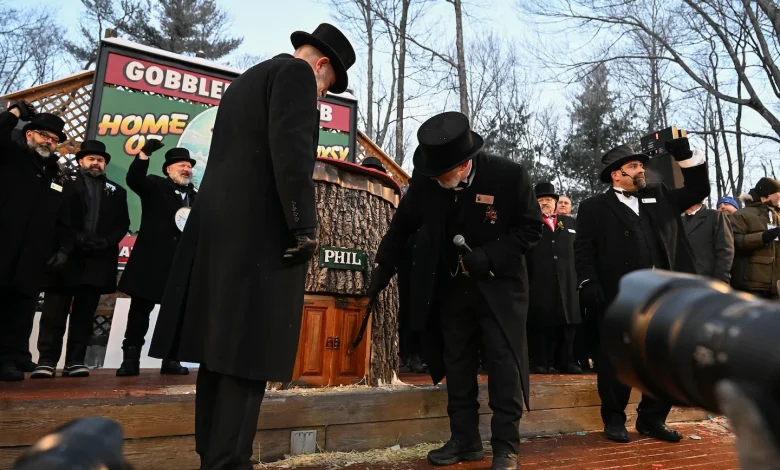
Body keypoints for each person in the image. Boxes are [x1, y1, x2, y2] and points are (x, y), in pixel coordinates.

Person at [148, 24, 355, 470]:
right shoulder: (297, 76)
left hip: (219, 233)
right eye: (328, 87)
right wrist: (304, 225)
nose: (321, 96)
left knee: (220, 352)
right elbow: (292, 152)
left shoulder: (246, 81)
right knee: (248, 350)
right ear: (322, 66)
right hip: (260, 236)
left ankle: (214, 455)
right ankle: (231, 461)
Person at [367, 111, 543, 470]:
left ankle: (506, 446)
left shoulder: (509, 177)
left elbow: (530, 229)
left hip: (500, 290)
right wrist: (382, 269)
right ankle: (465, 441)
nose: (434, 180)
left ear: (464, 166)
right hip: (452, 290)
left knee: (502, 365)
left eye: (441, 174)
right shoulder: (428, 182)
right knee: (457, 365)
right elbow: (401, 228)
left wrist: (489, 256)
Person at [574, 138, 709, 443]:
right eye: (633, 166)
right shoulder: (594, 207)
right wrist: (588, 282)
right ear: (615, 174)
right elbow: (584, 250)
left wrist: (684, 157)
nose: (640, 170)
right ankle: (614, 419)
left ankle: (651, 419)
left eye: (641, 165)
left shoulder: (658, 195)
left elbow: (698, 191)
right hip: (619, 295)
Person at [32, 140, 130, 378]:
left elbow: (123, 223)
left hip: (97, 259)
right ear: (80, 161)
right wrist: (72, 239)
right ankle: (46, 361)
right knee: (55, 311)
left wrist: (106, 242)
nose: (96, 163)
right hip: (66, 256)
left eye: (100, 160)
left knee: (85, 314)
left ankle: (75, 361)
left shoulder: (117, 191)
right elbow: (54, 215)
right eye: (91, 159)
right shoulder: (63, 183)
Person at [0, 101, 71, 382]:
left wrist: (63, 248)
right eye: (45, 135)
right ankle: (3, 361)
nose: (49, 142)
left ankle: (18, 355)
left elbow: (63, 217)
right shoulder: (11, 156)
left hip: (34, 253)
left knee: (24, 307)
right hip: (5, 245)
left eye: (54, 140)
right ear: (29, 134)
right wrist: (14, 113)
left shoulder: (54, 173)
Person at [115, 143, 196, 376]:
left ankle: (171, 359)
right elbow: (134, 179)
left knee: (175, 315)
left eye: (189, 166)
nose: (187, 169)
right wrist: (144, 155)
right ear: (168, 169)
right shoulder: (155, 185)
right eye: (182, 165)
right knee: (140, 312)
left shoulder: (195, 196)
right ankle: (130, 359)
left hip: (179, 265)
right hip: (151, 262)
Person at [527, 183, 581, 375]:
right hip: (540, 281)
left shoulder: (571, 223)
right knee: (542, 323)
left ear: (555, 202)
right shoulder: (530, 224)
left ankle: (567, 361)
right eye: (540, 200)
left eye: (548, 200)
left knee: (568, 323)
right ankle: (541, 361)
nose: (545, 204)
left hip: (568, 280)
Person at [730, 177, 780, 299]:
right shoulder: (741, 215)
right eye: (778, 193)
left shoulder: (778, 216)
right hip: (752, 285)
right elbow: (735, 242)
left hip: (776, 287)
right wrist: (763, 237)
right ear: (766, 195)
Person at [682, 201, 734, 284]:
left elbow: (725, 251)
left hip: (707, 280)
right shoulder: (679, 221)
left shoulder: (715, 216)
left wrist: (721, 281)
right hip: (683, 281)